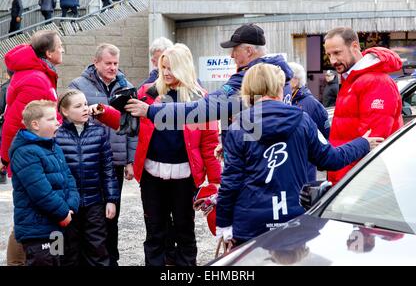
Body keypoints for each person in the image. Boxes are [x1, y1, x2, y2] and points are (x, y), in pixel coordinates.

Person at [215, 63, 384, 246]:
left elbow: (230, 182)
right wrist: (362, 143)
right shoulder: (303, 120)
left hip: (251, 223)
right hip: (293, 217)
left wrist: (224, 225)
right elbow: (331, 159)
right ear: (279, 87)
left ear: (248, 89)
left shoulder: (238, 127)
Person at [96, 43, 222, 266]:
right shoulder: (148, 92)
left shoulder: (201, 99)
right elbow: (129, 123)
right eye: (163, 67)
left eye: (171, 68)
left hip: (186, 177)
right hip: (152, 175)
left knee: (185, 232)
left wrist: (215, 182)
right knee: (155, 232)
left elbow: (210, 142)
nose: (165, 72)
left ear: (183, 68)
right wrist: (104, 113)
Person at [124, 23, 293, 145]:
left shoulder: (247, 78)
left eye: (235, 50)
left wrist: (151, 110)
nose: (232, 56)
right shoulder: (280, 74)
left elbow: (205, 108)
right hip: (275, 156)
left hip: (253, 163)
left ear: (249, 50)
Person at [69, 43, 137, 266]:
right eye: (108, 63)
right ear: (96, 61)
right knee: (86, 214)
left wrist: (130, 160)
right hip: (87, 160)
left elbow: (133, 127)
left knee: (111, 215)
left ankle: (110, 258)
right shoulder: (78, 86)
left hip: (115, 162)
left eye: (116, 63)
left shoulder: (126, 87)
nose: (113, 68)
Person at [1, 29, 65, 266]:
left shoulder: (38, 73)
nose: (63, 50)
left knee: (30, 213)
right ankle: (17, 262)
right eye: (60, 46)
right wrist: (7, 159)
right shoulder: (36, 79)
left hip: (33, 153)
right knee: (31, 215)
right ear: (48, 53)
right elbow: (14, 122)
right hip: (32, 155)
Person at [324, 26, 403, 185]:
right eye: (329, 55)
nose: (332, 60)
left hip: (360, 183)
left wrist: (345, 186)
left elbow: (373, 142)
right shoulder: (351, 79)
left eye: (337, 53)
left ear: (354, 47)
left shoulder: (376, 82)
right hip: (349, 179)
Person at [9, 100, 79, 266]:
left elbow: (69, 179)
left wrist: (70, 206)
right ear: (35, 124)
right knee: (43, 262)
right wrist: (62, 212)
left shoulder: (54, 147)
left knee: (57, 260)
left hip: (56, 227)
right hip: (37, 231)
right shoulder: (25, 152)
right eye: (51, 119)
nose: (57, 122)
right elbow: (40, 191)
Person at [55, 89, 119, 266]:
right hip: (67, 205)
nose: (84, 108)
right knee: (68, 250)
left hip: (94, 202)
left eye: (85, 104)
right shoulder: (56, 136)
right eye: (78, 106)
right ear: (65, 111)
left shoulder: (99, 133)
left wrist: (111, 199)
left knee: (97, 246)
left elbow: (108, 169)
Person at [289, 62, 330, 182]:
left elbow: (325, 135)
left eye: (285, 79)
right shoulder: (284, 100)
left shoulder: (311, 104)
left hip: (305, 168)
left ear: (295, 81)